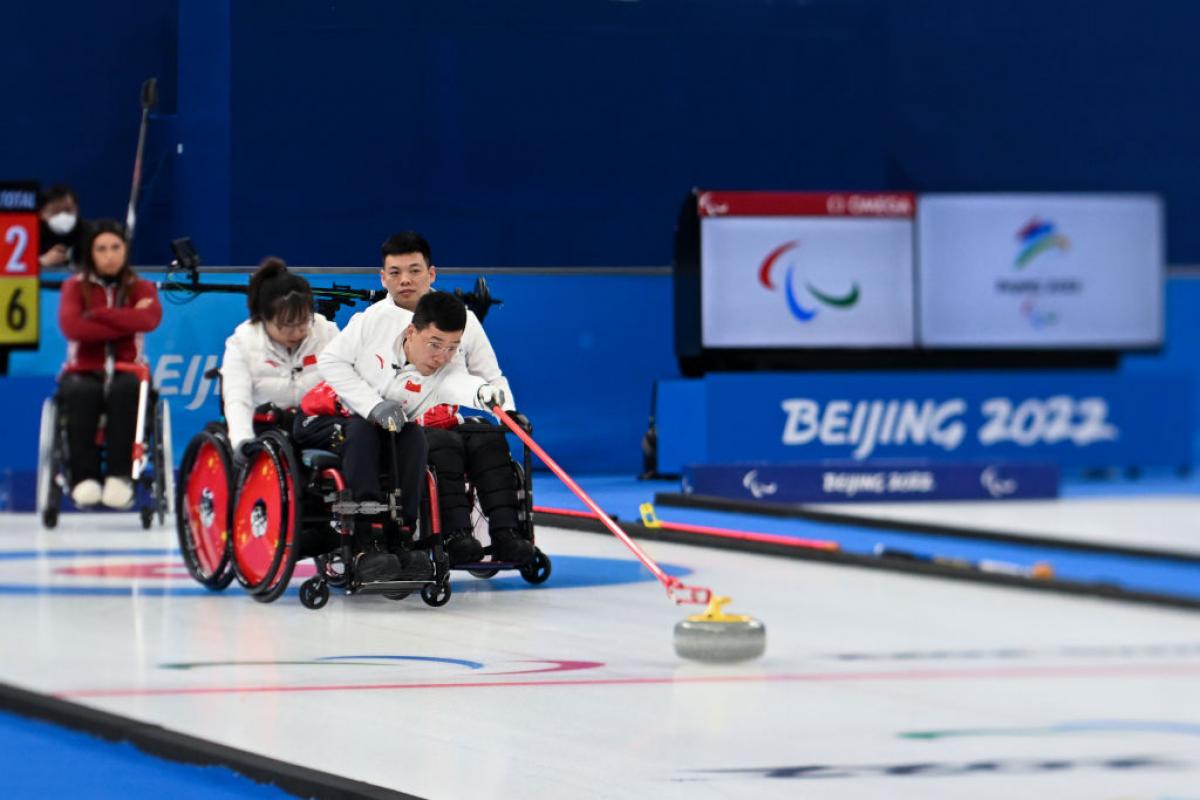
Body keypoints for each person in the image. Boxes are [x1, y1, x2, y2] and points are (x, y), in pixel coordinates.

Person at [309, 292, 511, 580]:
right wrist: (372, 406)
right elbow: (332, 364)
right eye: (435, 345)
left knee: (414, 435)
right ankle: (367, 542)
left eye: (453, 348)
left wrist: (481, 392)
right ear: (411, 333)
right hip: (325, 417)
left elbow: (456, 382)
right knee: (364, 433)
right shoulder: (372, 329)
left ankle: (401, 538)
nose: (443, 356)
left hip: (382, 430)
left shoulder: (440, 369)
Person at [371, 232, 529, 566]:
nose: (406, 281)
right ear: (383, 277)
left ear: (431, 273)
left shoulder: (464, 319)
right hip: (405, 427)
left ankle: (506, 534)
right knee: (443, 445)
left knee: (488, 438)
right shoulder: (374, 324)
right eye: (396, 273)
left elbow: (490, 375)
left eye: (414, 270)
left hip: (451, 419)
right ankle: (456, 535)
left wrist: (509, 412)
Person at [57, 219, 162, 508]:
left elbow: (149, 319)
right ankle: (83, 478)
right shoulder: (74, 287)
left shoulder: (141, 287)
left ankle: (119, 477)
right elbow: (74, 328)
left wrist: (98, 315)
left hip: (129, 370)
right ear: (91, 253)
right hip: (84, 369)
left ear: (125, 250)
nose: (109, 255)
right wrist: (126, 320)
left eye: (115, 247)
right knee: (81, 394)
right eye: (101, 249)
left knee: (127, 391)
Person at [220, 257, 339, 466]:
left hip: (315, 425)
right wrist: (242, 442)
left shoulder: (327, 332)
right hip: (268, 428)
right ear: (264, 317)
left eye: (303, 321)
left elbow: (347, 382)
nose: (297, 331)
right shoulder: (241, 343)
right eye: (286, 325)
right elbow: (238, 400)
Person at [37, 184, 86, 268]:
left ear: (77, 209)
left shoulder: (90, 233)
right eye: (55, 211)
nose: (62, 216)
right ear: (41, 214)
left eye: (68, 210)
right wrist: (41, 262)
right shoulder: (31, 235)